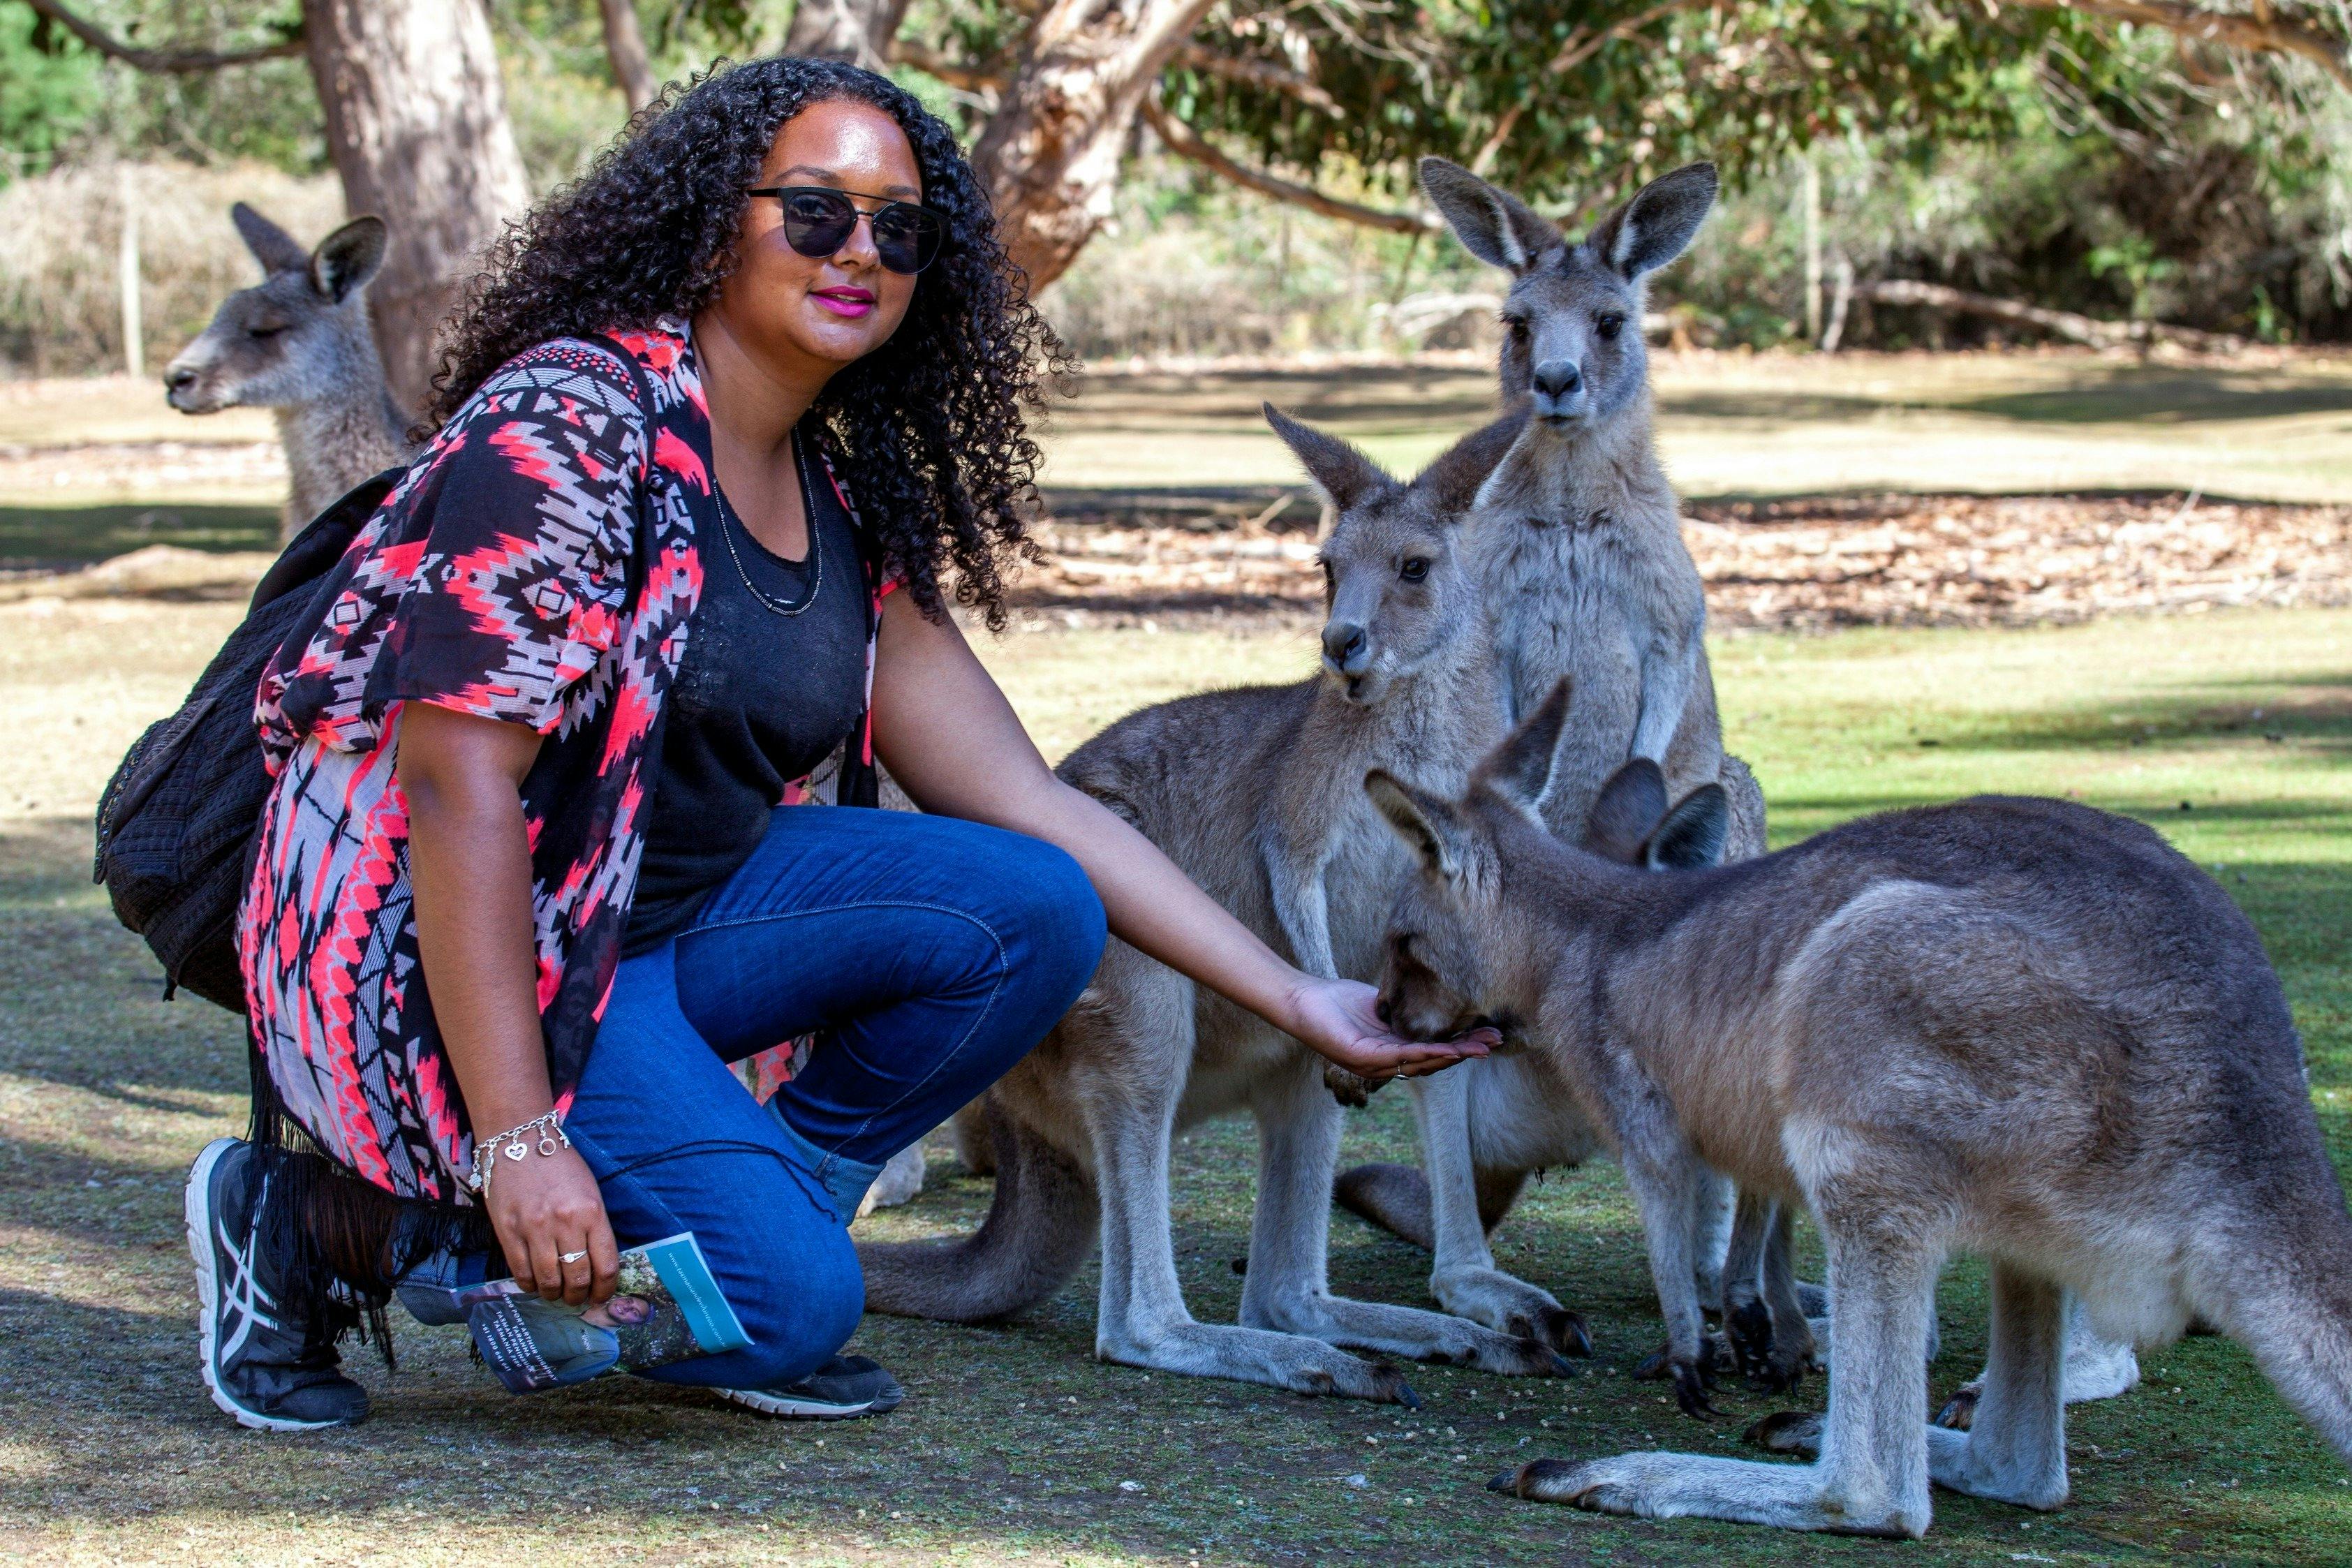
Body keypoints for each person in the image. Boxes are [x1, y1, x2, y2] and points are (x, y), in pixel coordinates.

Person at [185, 56, 1488, 1433]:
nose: (860, 248)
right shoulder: (571, 423)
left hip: (662, 933)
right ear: (712, 222)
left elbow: (1029, 803)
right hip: (451, 947)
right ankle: (319, 1223)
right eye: (815, 212)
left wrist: (1301, 1000)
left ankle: (736, 1216)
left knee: (1030, 906)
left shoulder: (837, 491)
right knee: (799, 1307)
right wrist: (517, 1140)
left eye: (900, 227)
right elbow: (456, 791)